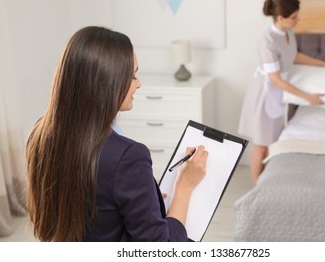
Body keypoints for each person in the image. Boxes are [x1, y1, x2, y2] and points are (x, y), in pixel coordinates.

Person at [26, 26, 208, 242]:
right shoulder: (128, 156)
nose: (138, 84)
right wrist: (184, 186)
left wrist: (147, 200)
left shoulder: (39, 134)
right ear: (106, 82)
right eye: (132, 75)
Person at [238, 0, 325, 185]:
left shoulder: (288, 32)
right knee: (261, 146)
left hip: (278, 92)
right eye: (294, 17)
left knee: (273, 143)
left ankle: (267, 181)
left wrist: (323, 64)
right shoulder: (267, 41)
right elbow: (275, 79)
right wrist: (308, 97)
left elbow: (293, 56)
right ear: (280, 18)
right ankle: (257, 188)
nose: (297, 20)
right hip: (264, 96)